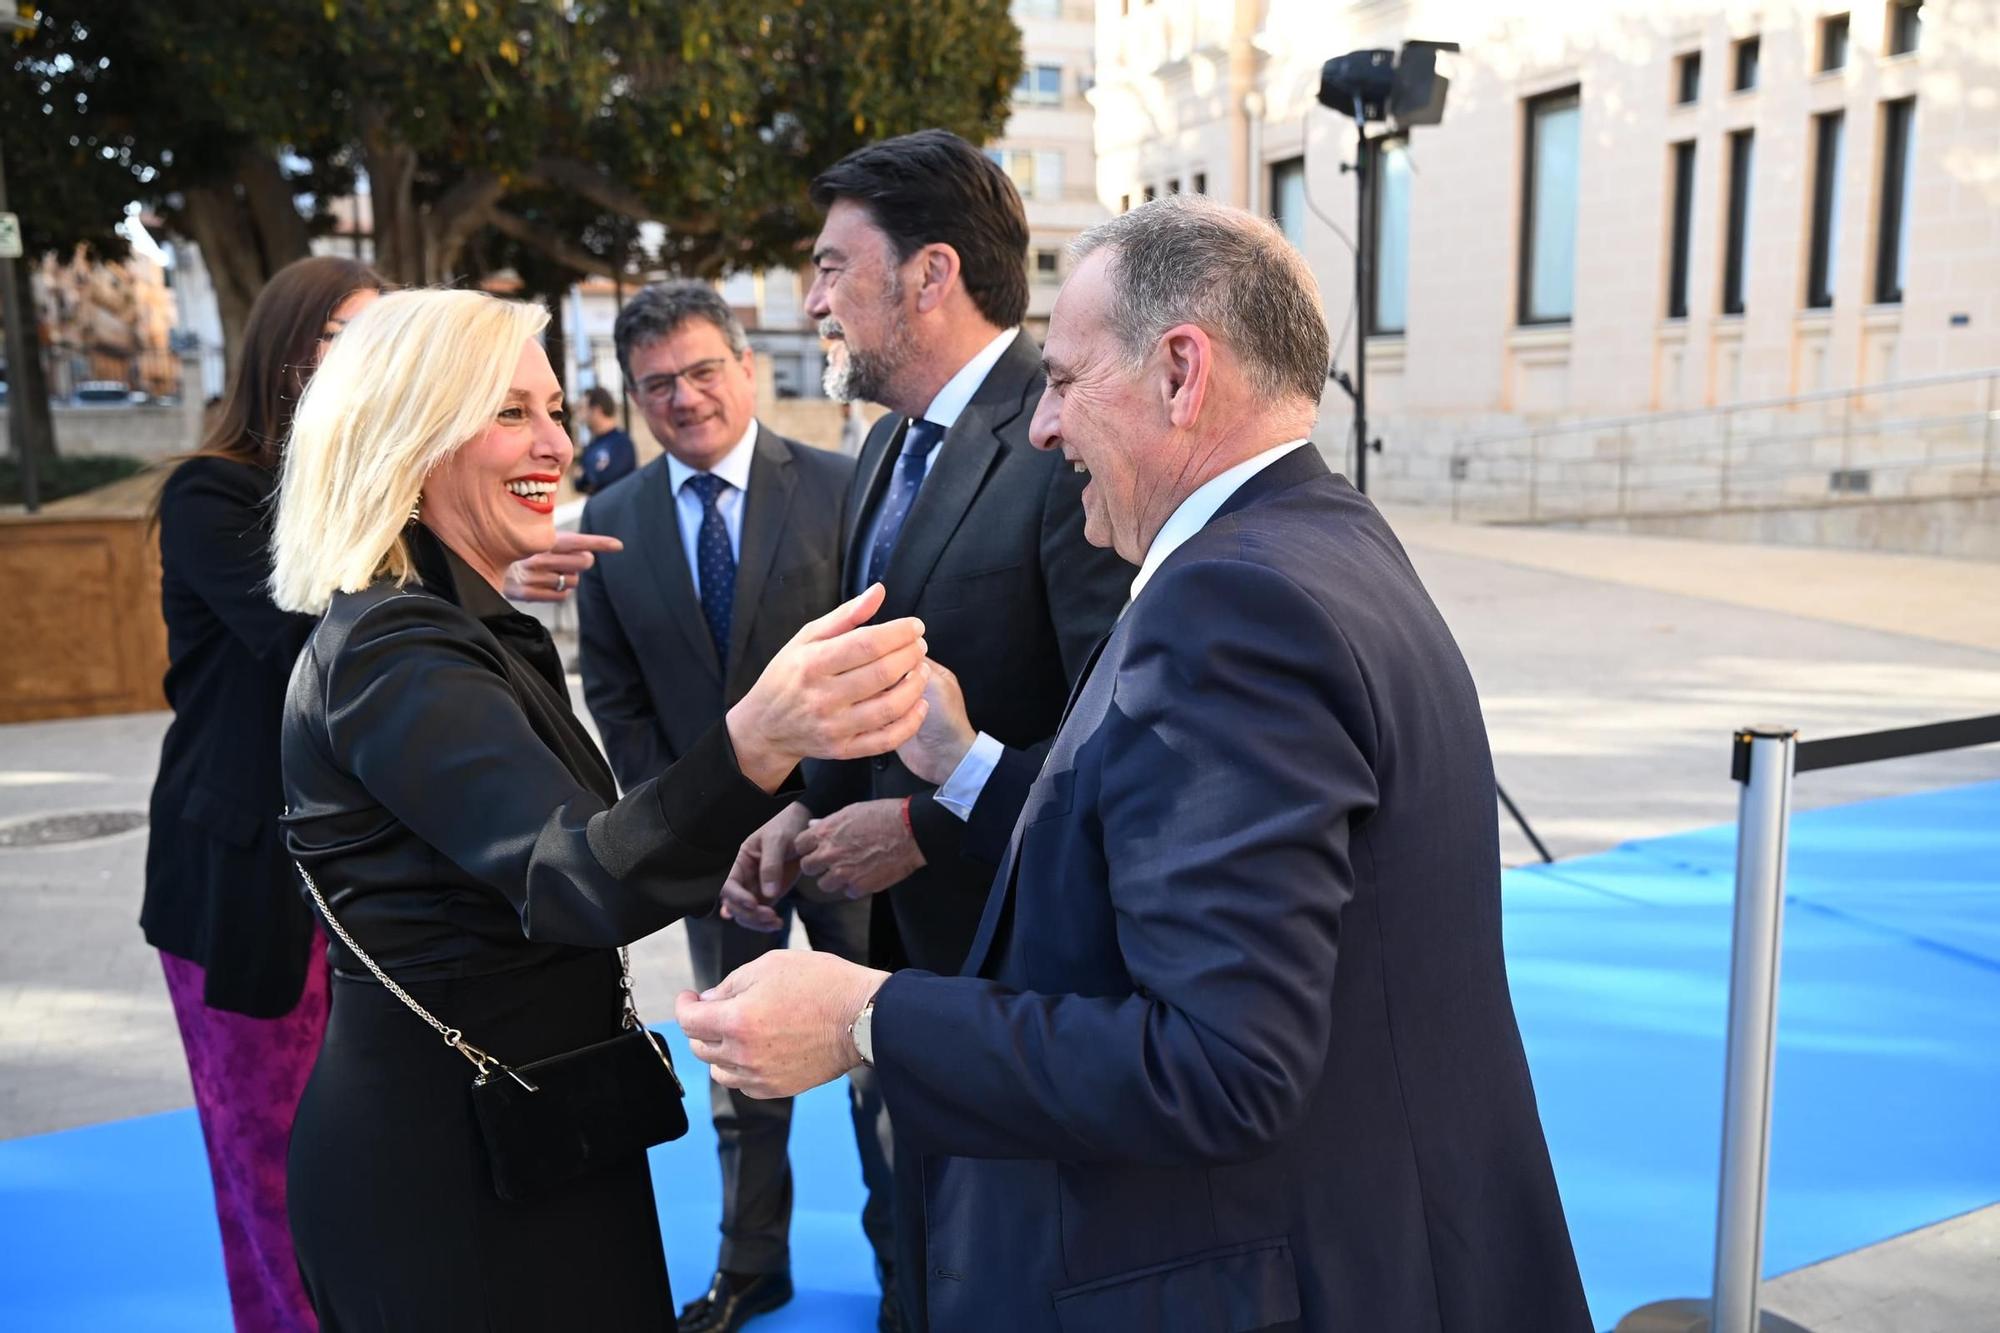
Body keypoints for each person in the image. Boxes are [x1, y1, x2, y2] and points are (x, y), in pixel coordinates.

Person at [682, 196, 1594, 1332]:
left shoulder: (1233, 604)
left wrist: (864, 1015)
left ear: (1179, 372)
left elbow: (1219, 1065)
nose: (1041, 427)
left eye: (1064, 381)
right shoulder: (1315, 537)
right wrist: (962, 761)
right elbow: (1156, 847)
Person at [269, 288, 929, 1333]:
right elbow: (574, 872)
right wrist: (757, 739)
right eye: (509, 412)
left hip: (527, 1129)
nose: (556, 442)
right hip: (456, 1171)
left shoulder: (449, 623)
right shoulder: (394, 650)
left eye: (554, 409)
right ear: (412, 432)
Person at [723, 128, 1131, 1329]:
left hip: (1017, 967)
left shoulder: (1065, 442)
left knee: (1003, 1262)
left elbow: (1113, 729)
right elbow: (871, 677)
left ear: (930, 274)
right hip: (889, 958)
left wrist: (920, 825)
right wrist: (800, 809)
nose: (813, 302)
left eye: (830, 267)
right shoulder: (883, 445)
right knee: (909, 1226)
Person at [574, 281, 893, 1333]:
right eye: (656, 383)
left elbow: (877, 663)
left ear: (746, 366)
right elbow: (617, 701)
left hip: (842, 836)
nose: (684, 396)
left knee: (881, 1055)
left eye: (703, 369)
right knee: (740, 1070)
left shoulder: (844, 487)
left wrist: (816, 812)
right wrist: (704, 826)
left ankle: (913, 1265)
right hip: (714, 863)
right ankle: (752, 1265)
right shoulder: (611, 521)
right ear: (635, 397)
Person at [141, 253, 382, 1333]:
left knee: (375, 1171)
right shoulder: (212, 492)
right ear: (287, 356)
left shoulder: (386, 492)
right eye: (345, 335)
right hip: (241, 885)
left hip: (371, 887)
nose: (370, 360)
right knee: (271, 1171)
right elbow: (313, 645)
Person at [573, 385, 636, 493]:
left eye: (583, 409)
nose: (580, 415)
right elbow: (579, 483)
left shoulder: (622, 444)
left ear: (597, 410)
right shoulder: (591, 446)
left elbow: (608, 481)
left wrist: (588, 477)